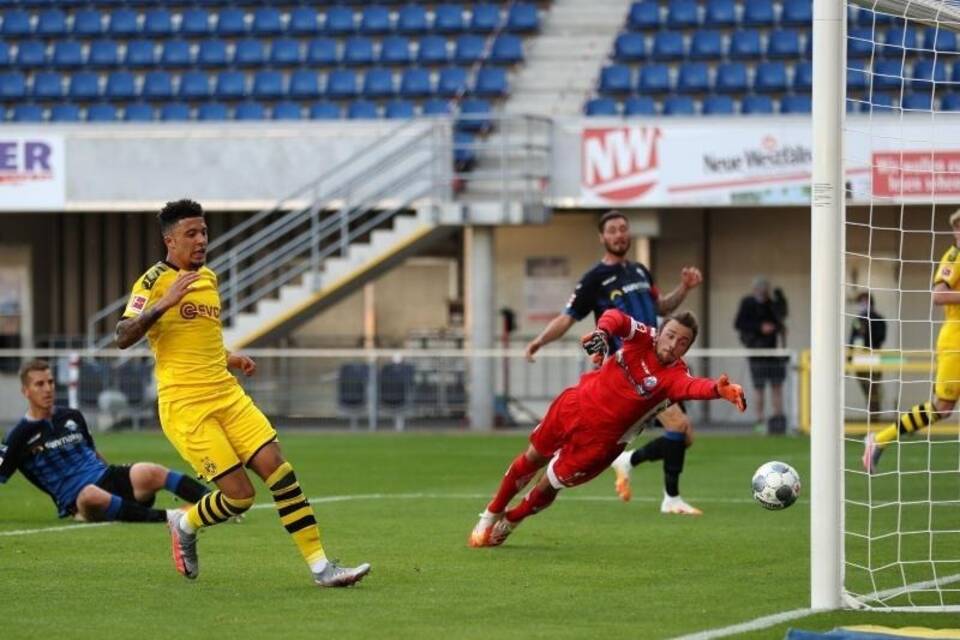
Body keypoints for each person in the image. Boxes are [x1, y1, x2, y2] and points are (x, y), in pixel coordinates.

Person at [116, 199, 370, 587]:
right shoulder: (152, 282)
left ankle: (322, 568)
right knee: (240, 497)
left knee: (280, 471)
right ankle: (185, 523)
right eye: (191, 234)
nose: (202, 240)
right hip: (186, 408)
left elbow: (200, 339)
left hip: (227, 396)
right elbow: (122, 336)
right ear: (170, 240)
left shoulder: (209, 278)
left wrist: (230, 357)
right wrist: (165, 303)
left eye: (204, 232)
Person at [470, 309, 746, 547]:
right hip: (574, 406)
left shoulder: (675, 375)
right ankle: (490, 514)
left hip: (601, 443)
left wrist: (718, 390)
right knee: (533, 457)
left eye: (682, 342)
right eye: (671, 335)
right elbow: (616, 317)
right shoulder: (643, 337)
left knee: (550, 482)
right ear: (660, 331)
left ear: (687, 349)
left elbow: (692, 386)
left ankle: (512, 520)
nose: (674, 344)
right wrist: (603, 331)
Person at [525, 210, 706, 515]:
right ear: (602, 237)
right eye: (612, 230)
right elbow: (568, 317)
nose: (619, 234)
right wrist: (540, 341)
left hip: (658, 365)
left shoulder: (639, 271)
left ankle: (629, 461)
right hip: (628, 371)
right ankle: (671, 499)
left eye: (623, 229)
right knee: (678, 425)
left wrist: (685, 289)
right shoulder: (594, 279)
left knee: (685, 437)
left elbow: (661, 307)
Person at [0, 359, 209, 523]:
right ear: (25, 391)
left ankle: (216, 503)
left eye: (50, 382)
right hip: (78, 500)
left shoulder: (71, 416)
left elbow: (93, 452)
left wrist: (120, 478)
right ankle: (169, 517)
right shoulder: (18, 436)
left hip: (106, 477)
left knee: (150, 470)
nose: (48, 388)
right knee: (90, 494)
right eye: (39, 384)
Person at [863, 209, 960, 473]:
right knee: (943, 407)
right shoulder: (954, 257)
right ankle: (879, 440)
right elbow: (938, 296)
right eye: (956, 227)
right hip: (956, 341)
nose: (958, 232)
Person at [734, 276, 788, 433]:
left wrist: (775, 327)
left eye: (765, 291)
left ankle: (778, 419)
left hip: (773, 352)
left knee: (776, 385)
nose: (763, 293)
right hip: (756, 352)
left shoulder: (772, 305)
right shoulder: (748, 303)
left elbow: (780, 322)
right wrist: (760, 327)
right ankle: (760, 420)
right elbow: (739, 323)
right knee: (759, 388)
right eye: (760, 290)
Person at [849, 292, 887, 416]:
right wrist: (849, 359)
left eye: (864, 302)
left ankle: (875, 418)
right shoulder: (857, 321)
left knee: (874, 390)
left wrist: (868, 329)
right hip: (859, 358)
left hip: (874, 357)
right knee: (866, 389)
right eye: (860, 302)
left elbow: (881, 338)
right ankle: (871, 417)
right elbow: (852, 340)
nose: (861, 305)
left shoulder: (879, 319)